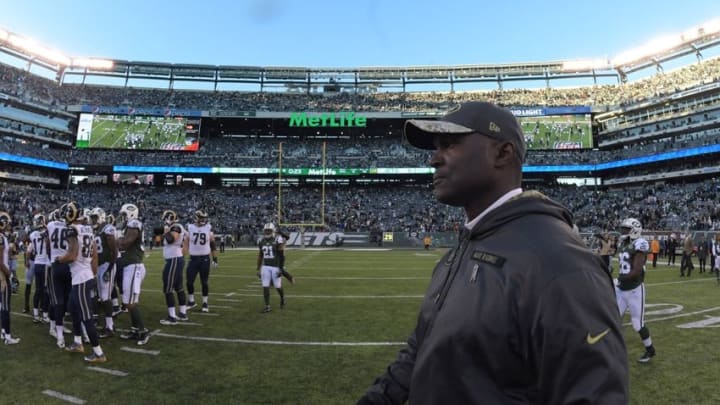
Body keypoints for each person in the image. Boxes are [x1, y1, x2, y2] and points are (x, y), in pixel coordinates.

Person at [358, 101, 628, 404]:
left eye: (449, 145)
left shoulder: (559, 262)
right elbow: (422, 349)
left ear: (502, 153)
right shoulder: (459, 253)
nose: (434, 159)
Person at [55, 202, 107, 363]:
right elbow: (94, 255)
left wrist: (58, 259)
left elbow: (72, 255)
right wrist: (93, 272)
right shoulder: (88, 228)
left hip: (81, 278)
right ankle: (78, 342)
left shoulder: (72, 229)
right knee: (72, 308)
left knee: (86, 316)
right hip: (83, 276)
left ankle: (99, 353)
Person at [615, 218, 656, 363]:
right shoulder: (624, 243)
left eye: (626, 229)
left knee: (637, 324)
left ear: (634, 230)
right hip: (621, 290)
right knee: (613, 319)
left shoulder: (640, 243)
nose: (623, 231)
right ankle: (613, 348)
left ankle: (650, 350)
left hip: (634, 290)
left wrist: (620, 279)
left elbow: (637, 270)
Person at [116, 203, 150, 345]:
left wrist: (116, 240)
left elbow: (127, 242)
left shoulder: (134, 223)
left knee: (129, 302)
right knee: (129, 301)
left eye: (124, 214)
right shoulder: (128, 226)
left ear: (130, 214)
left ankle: (143, 331)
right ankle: (136, 329)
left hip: (133, 266)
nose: (122, 217)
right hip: (130, 266)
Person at [89, 207, 118, 337]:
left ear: (101, 216)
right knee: (102, 296)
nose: (93, 219)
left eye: (95, 217)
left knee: (106, 297)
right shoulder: (95, 230)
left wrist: (110, 268)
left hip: (107, 265)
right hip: (99, 266)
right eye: (92, 217)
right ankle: (108, 325)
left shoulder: (108, 228)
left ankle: (110, 327)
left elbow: (114, 250)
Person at [159, 210, 189, 324]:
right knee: (179, 287)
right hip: (175, 259)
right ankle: (182, 313)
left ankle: (172, 317)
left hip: (174, 260)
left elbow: (172, 239)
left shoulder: (176, 227)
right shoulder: (177, 227)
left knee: (168, 288)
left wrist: (166, 229)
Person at [186, 209, 217, 313]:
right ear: (196, 217)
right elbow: (186, 243)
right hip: (193, 258)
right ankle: (191, 301)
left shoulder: (209, 228)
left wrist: (215, 259)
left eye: (204, 217)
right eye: (201, 217)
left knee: (204, 282)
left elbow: (212, 244)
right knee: (189, 281)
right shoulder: (190, 227)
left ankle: (205, 303)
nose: (202, 219)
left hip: (204, 258)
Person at [0, 211, 20, 344]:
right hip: (2, 275)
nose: (9, 225)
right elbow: (1, 262)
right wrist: (10, 274)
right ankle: (7, 336)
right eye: (7, 223)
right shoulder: (1, 238)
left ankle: (3, 332)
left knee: (1, 305)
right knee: (5, 306)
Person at [257, 223, 286, 313]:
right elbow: (260, 255)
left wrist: (281, 269)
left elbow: (282, 256)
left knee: (278, 286)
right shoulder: (261, 240)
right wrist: (258, 268)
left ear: (273, 231)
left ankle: (282, 298)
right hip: (265, 266)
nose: (267, 232)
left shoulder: (278, 239)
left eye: (269, 230)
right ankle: (267, 306)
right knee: (265, 286)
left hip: (275, 266)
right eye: (266, 230)